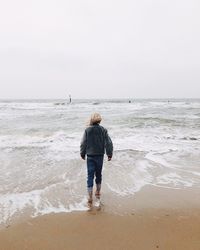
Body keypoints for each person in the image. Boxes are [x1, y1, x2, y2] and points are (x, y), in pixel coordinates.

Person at [80, 113, 113, 207]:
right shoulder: (103, 130)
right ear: (99, 120)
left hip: (90, 156)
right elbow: (108, 142)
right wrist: (109, 153)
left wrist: (82, 153)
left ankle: (90, 196)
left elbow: (83, 143)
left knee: (90, 175)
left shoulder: (87, 130)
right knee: (98, 174)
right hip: (99, 156)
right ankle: (98, 192)